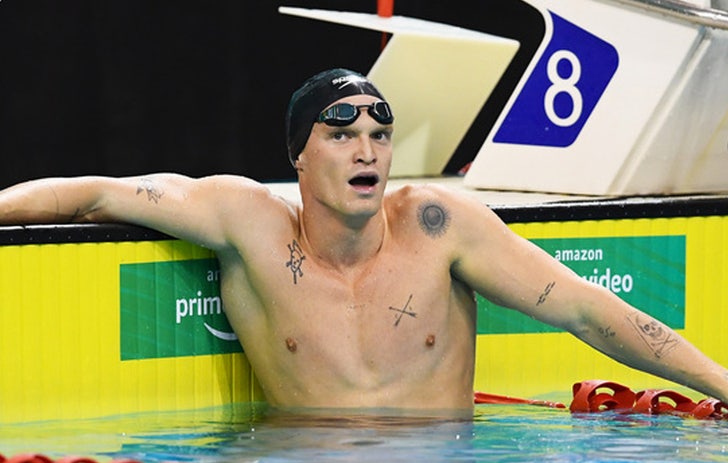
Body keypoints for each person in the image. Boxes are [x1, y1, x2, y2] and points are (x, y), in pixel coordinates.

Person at [1, 68, 727, 411]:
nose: (368, 153)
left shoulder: (438, 227)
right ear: (298, 154)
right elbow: (90, 193)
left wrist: (723, 386)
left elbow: (586, 309)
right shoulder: (246, 224)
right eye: (343, 135)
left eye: (380, 135)